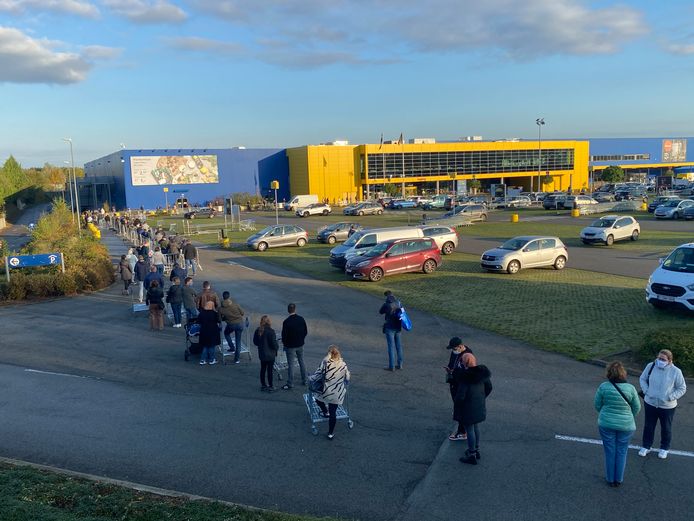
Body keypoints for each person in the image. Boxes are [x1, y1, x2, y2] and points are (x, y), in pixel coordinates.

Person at [594, 361, 641, 487]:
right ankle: (618, 479)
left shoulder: (603, 387)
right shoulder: (630, 388)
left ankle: (610, 479)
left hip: (606, 423)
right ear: (623, 373)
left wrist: (605, 414)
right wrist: (628, 416)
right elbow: (637, 408)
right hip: (626, 425)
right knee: (622, 451)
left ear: (609, 373)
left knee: (610, 451)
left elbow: (597, 405)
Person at [638, 349, 687, 459]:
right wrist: (646, 391)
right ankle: (646, 446)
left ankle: (664, 448)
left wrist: (670, 397)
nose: (659, 360)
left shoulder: (676, 371)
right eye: (658, 358)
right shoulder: (651, 366)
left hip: (667, 406)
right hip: (650, 403)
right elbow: (642, 378)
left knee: (666, 427)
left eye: (663, 359)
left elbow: (682, 388)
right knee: (648, 426)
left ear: (669, 360)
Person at [454, 353, 492, 465]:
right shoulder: (483, 374)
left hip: (467, 408)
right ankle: (476, 449)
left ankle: (472, 455)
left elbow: (460, 396)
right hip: (478, 405)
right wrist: (481, 397)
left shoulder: (465, 378)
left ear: (465, 362)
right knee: (476, 427)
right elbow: (489, 387)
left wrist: (457, 405)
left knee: (469, 429)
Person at [310, 345, 351, 440]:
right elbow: (347, 377)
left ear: (329, 354)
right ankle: (330, 433)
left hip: (326, 391)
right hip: (337, 393)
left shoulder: (325, 363)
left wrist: (310, 378)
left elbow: (317, 375)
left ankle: (325, 411)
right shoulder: (343, 364)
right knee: (333, 412)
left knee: (318, 399)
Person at [444, 337, 473, 441]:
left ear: (461, 346)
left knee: (460, 408)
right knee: (458, 407)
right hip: (454, 383)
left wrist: (454, 372)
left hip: (461, 386)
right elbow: (452, 362)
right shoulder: (455, 352)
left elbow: (468, 373)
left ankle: (462, 432)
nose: (453, 350)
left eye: (454, 348)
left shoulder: (468, 355)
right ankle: (463, 430)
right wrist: (449, 369)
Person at [281, 303, 308, 390]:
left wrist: (285, 344)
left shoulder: (286, 322)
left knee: (291, 364)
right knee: (302, 362)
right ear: (295, 309)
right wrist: (301, 339)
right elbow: (305, 331)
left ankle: (290, 383)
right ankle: (305, 380)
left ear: (288, 310)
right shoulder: (301, 319)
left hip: (290, 346)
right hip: (300, 344)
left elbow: (284, 336)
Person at [253, 315, 279, 392]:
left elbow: (255, 342)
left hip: (262, 354)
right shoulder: (271, 331)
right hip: (270, 354)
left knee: (263, 369)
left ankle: (263, 385)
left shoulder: (258, 330)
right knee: (270, 370)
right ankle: (271, 385)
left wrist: (261, 345)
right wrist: (276, 347)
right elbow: (274, 344)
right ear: (269, 322)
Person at [379, 290, 403, 371]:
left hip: (389, 327)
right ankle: (400, 365)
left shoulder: (386, 304)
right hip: (398, 327)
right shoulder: (399, 303)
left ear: (386, 296)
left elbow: (380, 312)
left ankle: (391, 366)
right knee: (399, 346)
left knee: (391, 347)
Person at [219, 291, 245, 364]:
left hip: (230, 324)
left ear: (223, 297)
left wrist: (225, 318)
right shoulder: (235, 304)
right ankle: (236, 359)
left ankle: (231, 347)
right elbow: (242, 313)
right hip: (239, 324)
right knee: (238, 340)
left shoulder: (221, 308)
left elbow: (219, 319)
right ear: (229, 297)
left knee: (226, 333)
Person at [197, 301, 220, 365]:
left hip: (204, 331)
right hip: (213, 331)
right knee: (212, 346)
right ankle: (211, 360)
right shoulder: (214, 313)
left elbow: (198, 321)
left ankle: (202, 360)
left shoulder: (202, 313)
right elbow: (218, 320)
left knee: (205, 346)